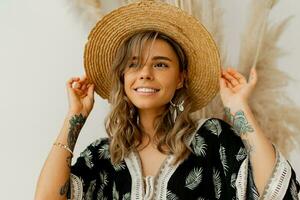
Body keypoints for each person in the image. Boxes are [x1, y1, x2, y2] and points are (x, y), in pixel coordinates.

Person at [35, 1, 300, 199]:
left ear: (181, 78)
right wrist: (75, 117)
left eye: (160, 65)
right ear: (123, 77)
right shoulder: (103, 156)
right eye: (134, 65)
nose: (145, 74)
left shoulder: (211, 139)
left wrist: (240, 108)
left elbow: (277, 191)